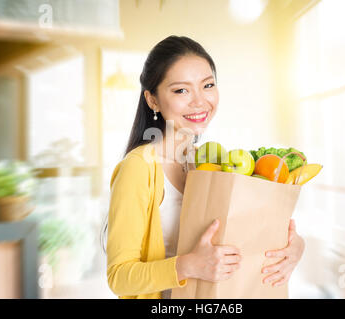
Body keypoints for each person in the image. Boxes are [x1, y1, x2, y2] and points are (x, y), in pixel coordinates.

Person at [104, 35, 305, 299]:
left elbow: (243, 234)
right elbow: (119, 277)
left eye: (207, 85)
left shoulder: (210, 163)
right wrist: (189, 265)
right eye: (181, 90)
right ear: (152, 100)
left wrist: (293, 248)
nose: (199, 101)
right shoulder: (139, 168)